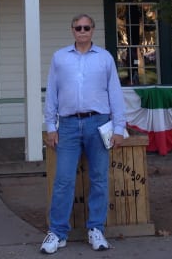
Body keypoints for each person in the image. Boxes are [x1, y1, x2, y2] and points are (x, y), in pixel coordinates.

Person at [40, 13, 127, 254]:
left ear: (93, 30)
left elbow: (115, 93)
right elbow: (52, 93)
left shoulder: (105, 58)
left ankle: (96, 229)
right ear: (72, 30)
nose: (82, 31)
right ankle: (57, 232)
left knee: (98, 178)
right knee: (63, 180)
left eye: (86, 27)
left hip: (98, 123)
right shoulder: (59, 58)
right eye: (78, 27)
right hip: (67, 125)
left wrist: (118, 128)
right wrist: (51, 126)